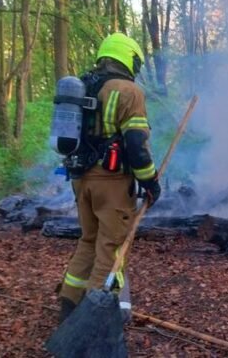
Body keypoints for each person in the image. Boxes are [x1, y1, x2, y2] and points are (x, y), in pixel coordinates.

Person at [57, 33, 162, 323]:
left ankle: (68, 304)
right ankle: (92, 319)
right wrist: (150, 182)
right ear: (129, 58)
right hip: (111, 183)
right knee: (111, 248)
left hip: (81, 179)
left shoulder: (84, 85)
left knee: (88, 241)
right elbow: (136, 145)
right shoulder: (128, 91)